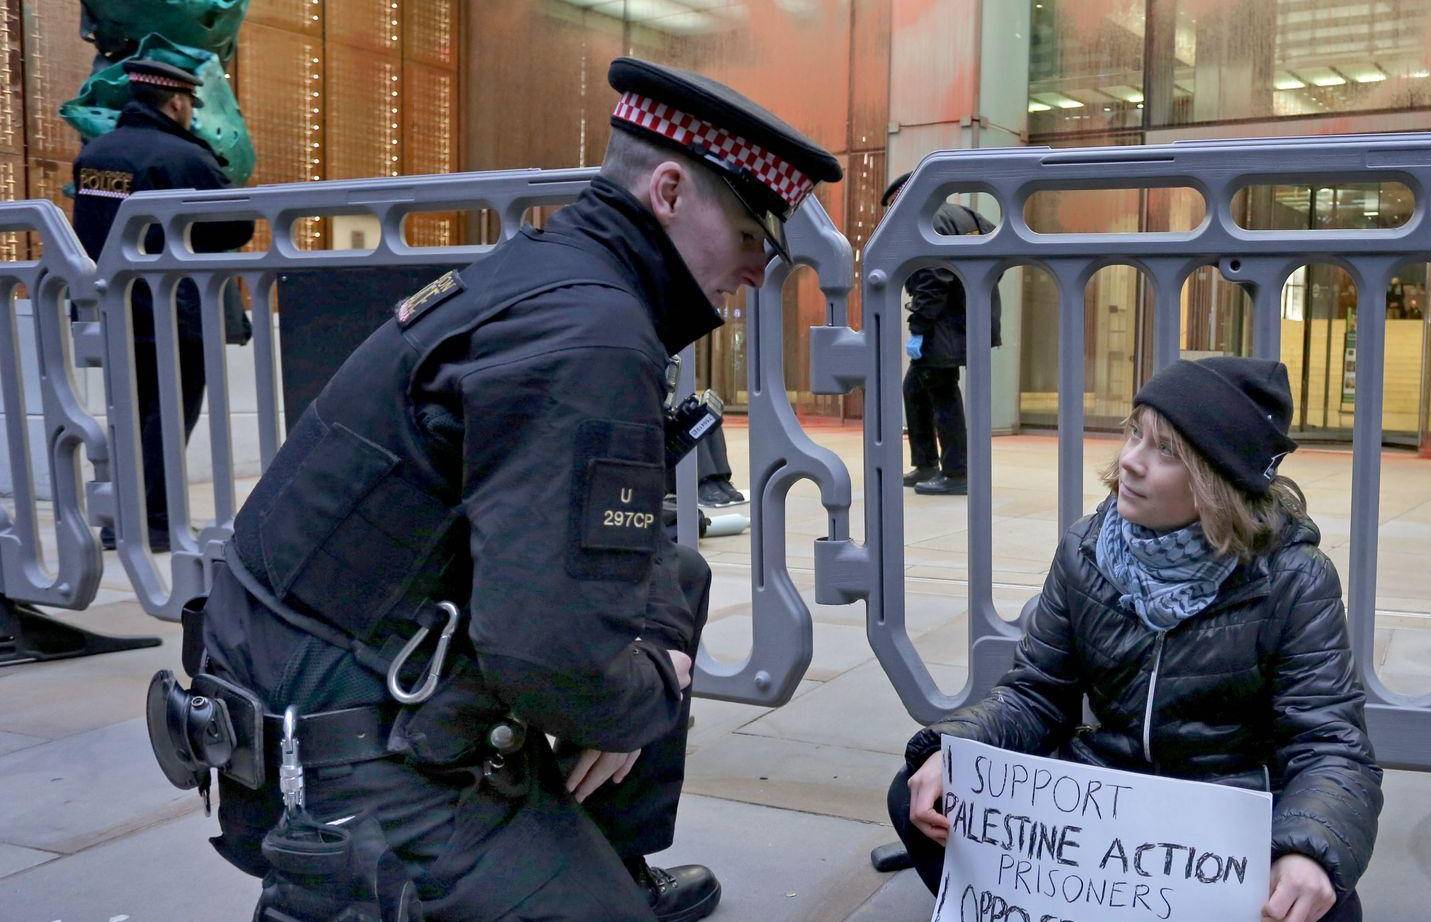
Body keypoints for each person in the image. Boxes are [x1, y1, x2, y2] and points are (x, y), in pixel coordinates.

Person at [180, 58, 840, 920]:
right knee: (630, 681)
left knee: (670, 584)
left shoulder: (555, 277)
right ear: (670, 192)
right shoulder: (592, 336)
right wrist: (652, 689)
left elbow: (589, 563)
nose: (757, 271)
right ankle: (354, 887)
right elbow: (548, 660)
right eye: (752, 235)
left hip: (327, 665)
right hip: (340, 745)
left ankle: (597, 853)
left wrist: (638, 670)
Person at [885, 357, 1383, 922]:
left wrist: (1306, 849)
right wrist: (958, 751)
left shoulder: (1293, 580)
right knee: (920, 793)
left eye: (1165, 450)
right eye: (1134, 433)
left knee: (1328, 902)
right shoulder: (1088, 548)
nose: (1129, 461)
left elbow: (1330, 747)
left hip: (1221, 830)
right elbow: (1035, 692)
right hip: (1102, 822)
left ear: (1219, 479)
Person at [70, 59, 254, 553]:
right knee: (168, 417)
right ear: (176, 102)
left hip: (114, 306)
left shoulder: (97, 154)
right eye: (190, 104)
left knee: (128, 415)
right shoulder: (182, 156)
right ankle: (153, 522)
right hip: (175, 310)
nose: (191, 112)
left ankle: (120, 520)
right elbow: (236, 225)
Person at [882, 173, 1000, 496]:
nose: (892, 213)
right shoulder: (964, 215)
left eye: (893, 204)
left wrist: (918, 327)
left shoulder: (927, 220)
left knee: (942, 391)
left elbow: (933, 277)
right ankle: (927, 463)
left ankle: (957, 472)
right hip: (969, 317)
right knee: (917, 386)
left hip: (944, 323)